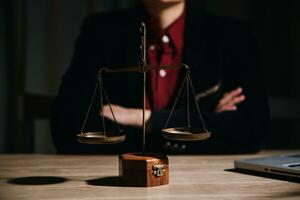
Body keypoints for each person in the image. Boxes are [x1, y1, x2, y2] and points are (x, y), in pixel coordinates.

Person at [50, 0, 270, 154]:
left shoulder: (231, 36)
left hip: (206, 179)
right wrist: (201, 119)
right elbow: (66, 126)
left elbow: (250, 131)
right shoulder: (101, 31)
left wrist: (143, 119)